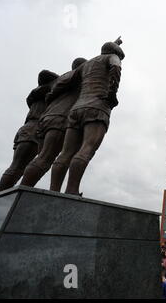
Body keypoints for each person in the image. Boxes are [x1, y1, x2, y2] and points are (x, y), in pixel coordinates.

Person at [50, 38, 124, 195]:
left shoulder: (86, 64)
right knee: (87, 149)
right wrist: (111, 94)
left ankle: (53, 191)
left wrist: (51, 94)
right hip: (97, 107)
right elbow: (116, 68)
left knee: (66, 152)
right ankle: (72, 190)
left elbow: (64, 81)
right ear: (116, 53)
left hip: (76, 110)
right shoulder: (112, 57)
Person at [20, 58, 88, 187]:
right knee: (46, 158)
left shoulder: (60, 80)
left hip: (46, 119)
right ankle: (23, 193)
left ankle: (23, 193)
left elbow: (40, 85)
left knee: (43, 157)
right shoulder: (77, 76)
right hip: (60, 119)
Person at [0, 70, 59, 192]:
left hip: (29, 128)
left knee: (18, 168)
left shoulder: (37, 95)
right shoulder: (45, 91)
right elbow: (44, 74)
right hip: (34, 128)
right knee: (17, 168)